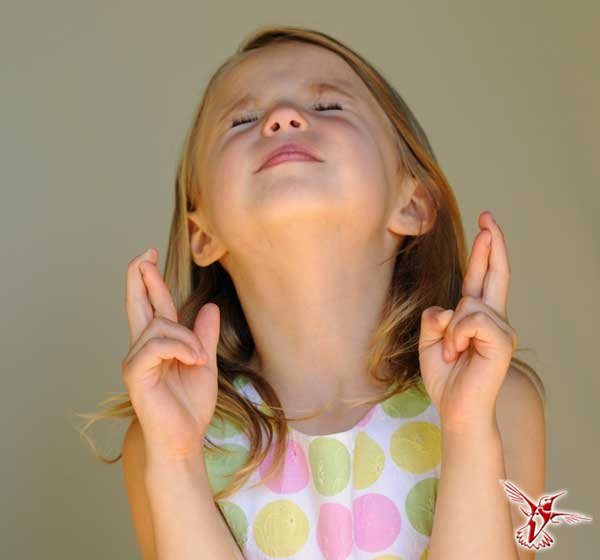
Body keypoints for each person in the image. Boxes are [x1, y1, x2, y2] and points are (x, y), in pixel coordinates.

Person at [75, 25, 547, 560]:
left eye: (327, 105)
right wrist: (177, 458)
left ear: (412, 204)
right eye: (242, 120)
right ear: (202, 235)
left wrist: (466, 429)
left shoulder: (498, 402)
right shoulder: (165, 435)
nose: (282, 118)